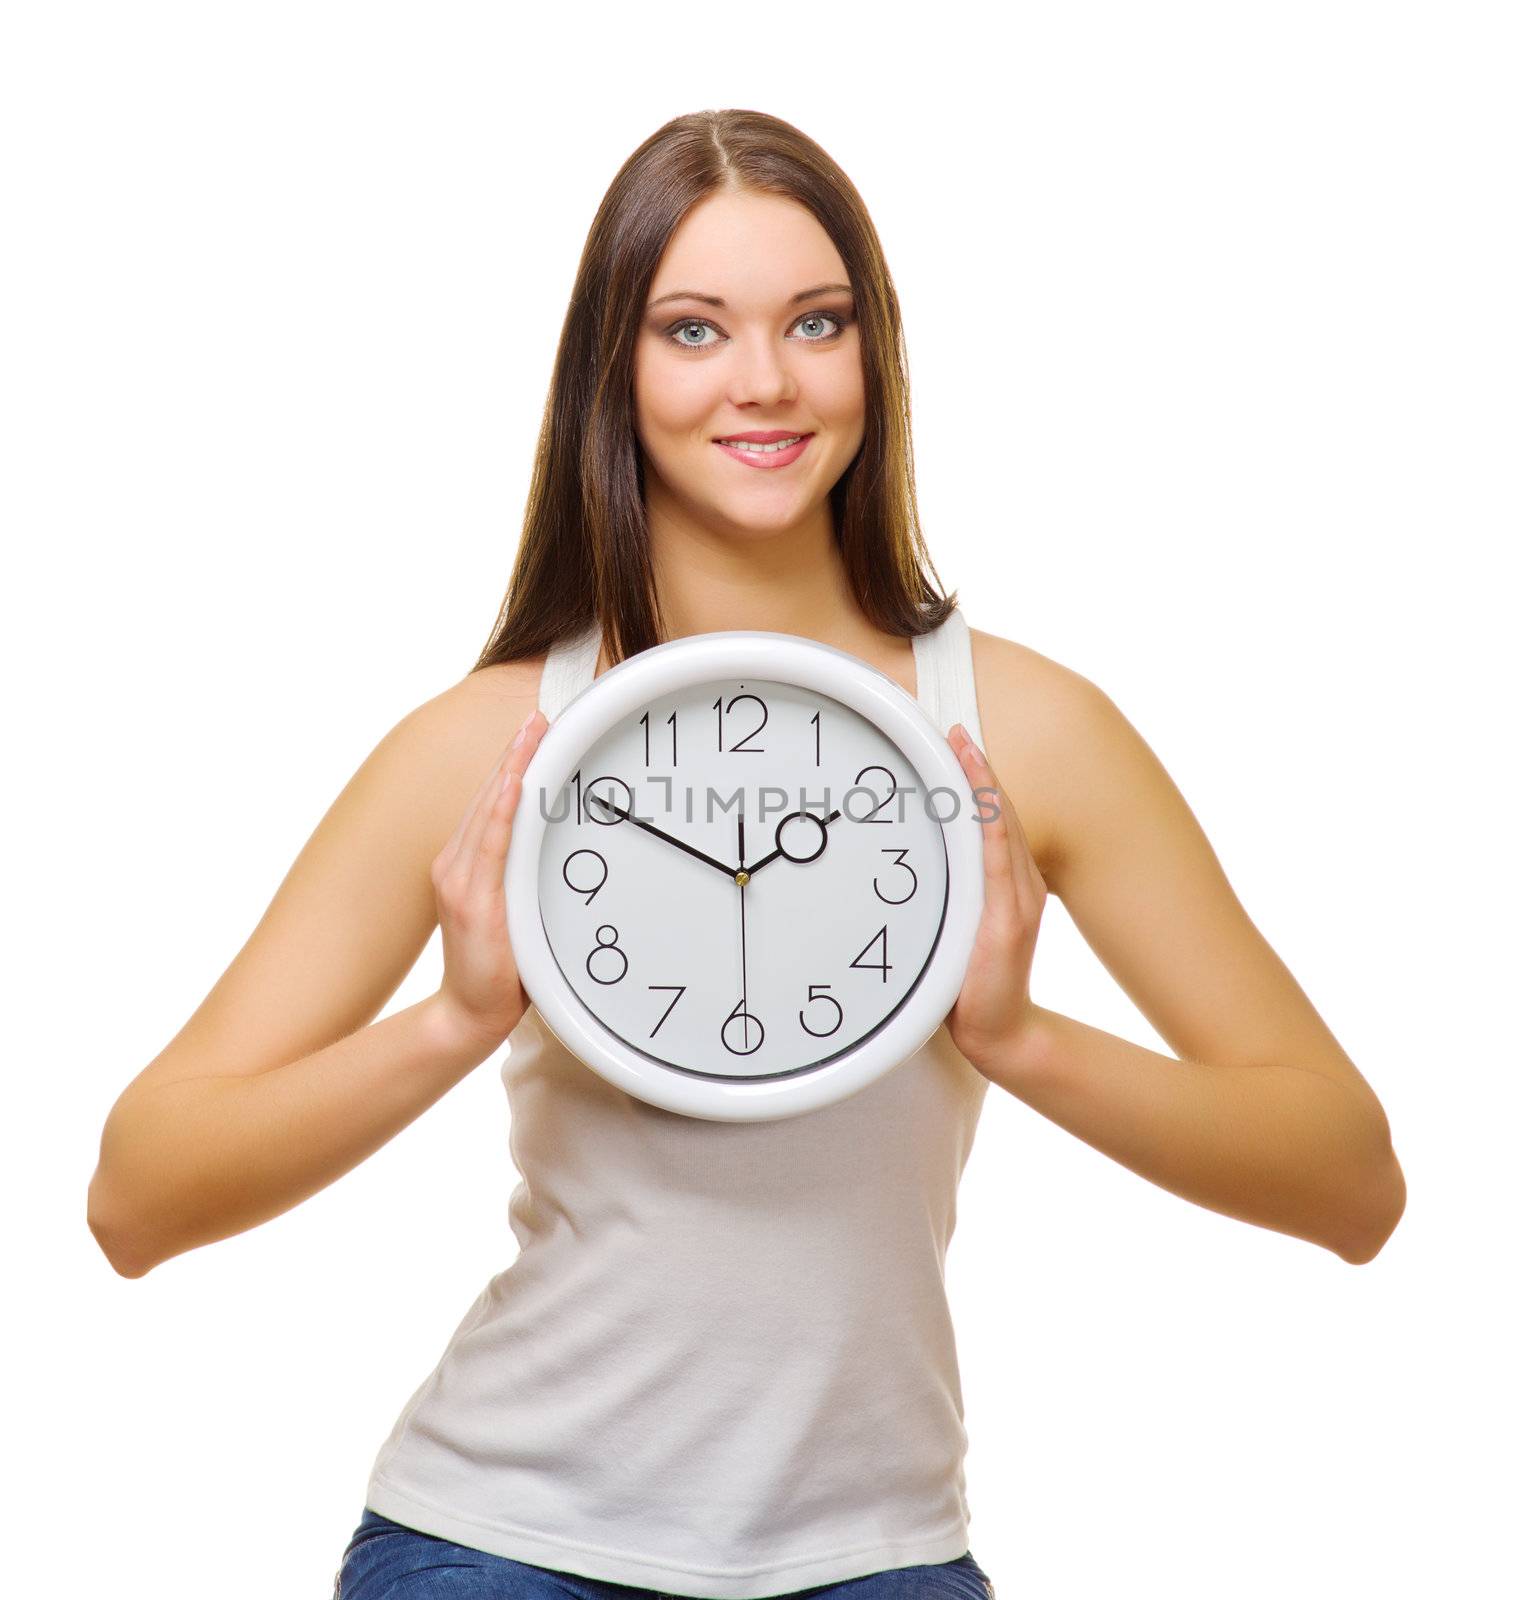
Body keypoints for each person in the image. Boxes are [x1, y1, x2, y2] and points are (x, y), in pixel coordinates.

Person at [85, 109, 1406, 1600]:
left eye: (815, 322)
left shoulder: (1020, 732)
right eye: (694, 329)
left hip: (882, 1560)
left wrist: (1019, 1039)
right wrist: (460, 1017)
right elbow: (139, 1194)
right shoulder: (496, 745)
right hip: (501, 1548)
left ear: (873, 353)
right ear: (617, 369)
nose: (764, 381)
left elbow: (1350, 1180)